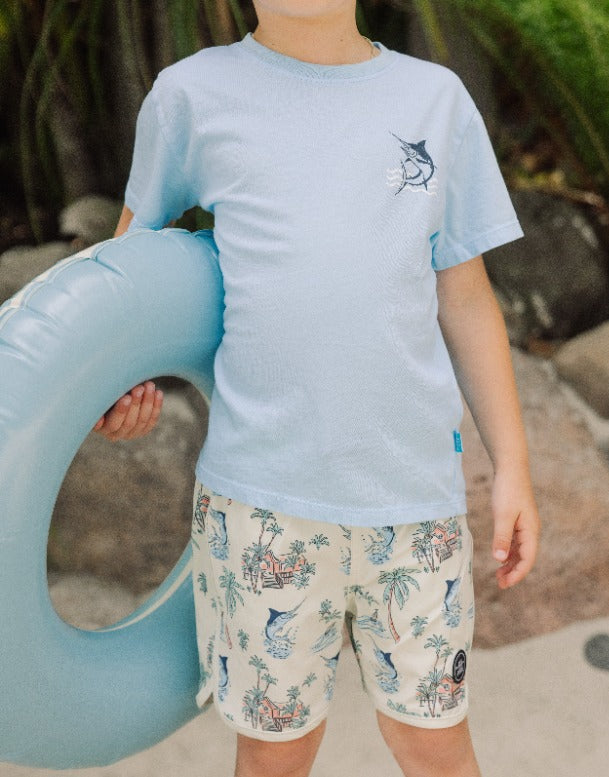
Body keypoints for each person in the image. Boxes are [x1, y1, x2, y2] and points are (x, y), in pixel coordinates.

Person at [95, 2, 540, 775]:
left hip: (414, 503)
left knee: (434, 741)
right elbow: (130, 269)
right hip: (261, 504)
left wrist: (513, 466)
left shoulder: (434, 99)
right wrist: (115, 386)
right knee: (276, 753)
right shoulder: (191, 95)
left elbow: (465, 297)